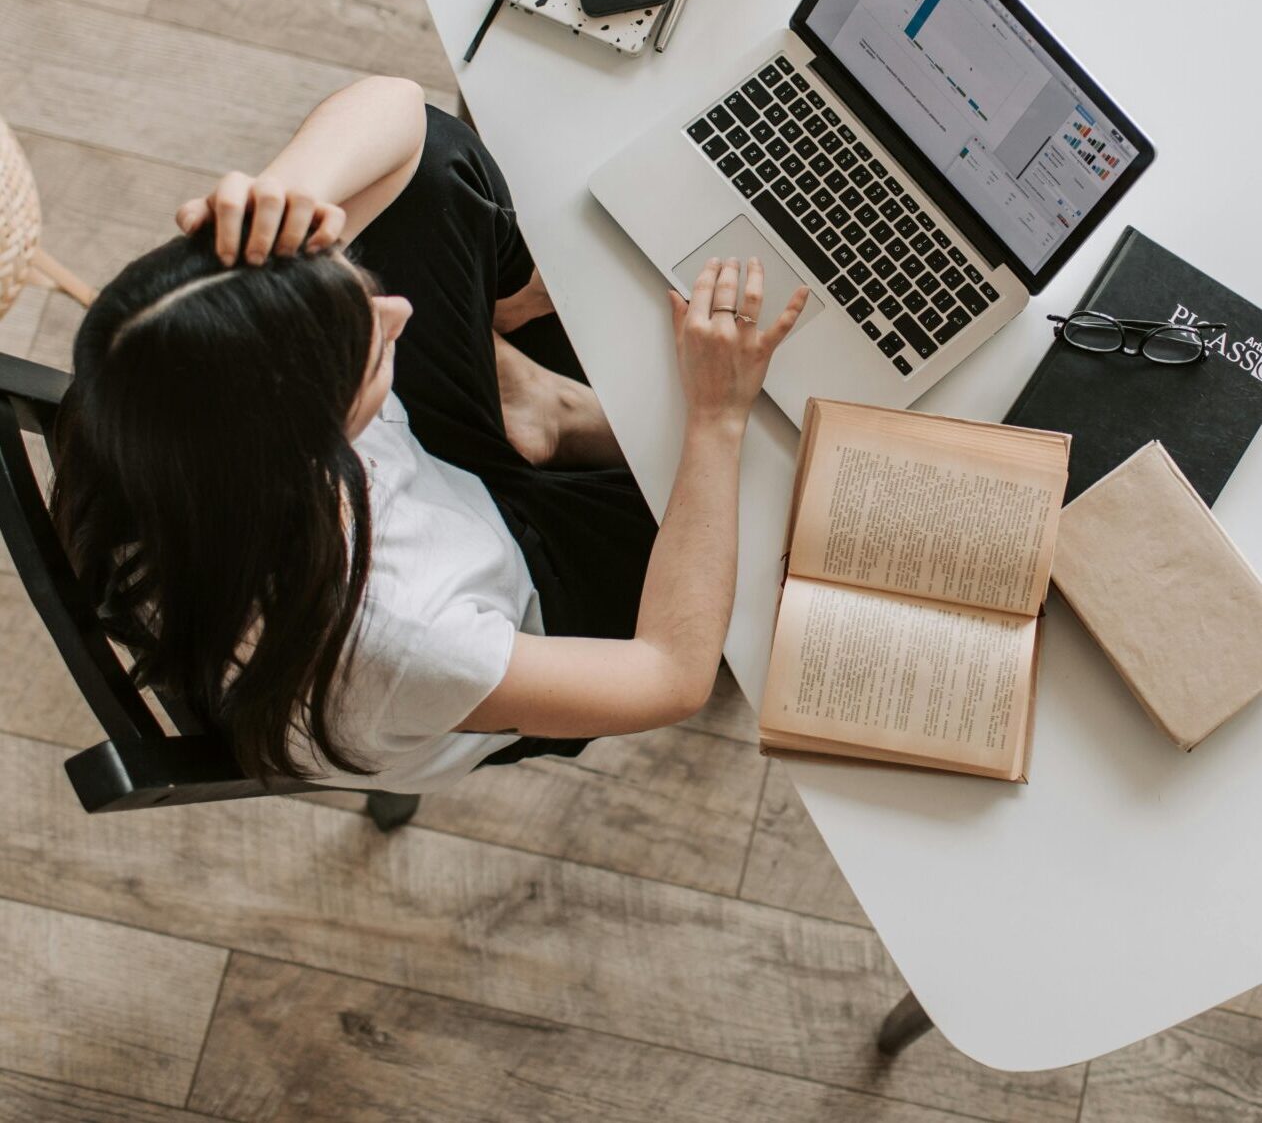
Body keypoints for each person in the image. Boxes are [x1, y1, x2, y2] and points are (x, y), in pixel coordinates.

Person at [52, 77, 806, 793]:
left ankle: (536, 408)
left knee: (439, 166)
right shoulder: (406, 640)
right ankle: (544, 410)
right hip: (522, 600)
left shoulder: (149, 379)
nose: (399, 315)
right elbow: (669, 675)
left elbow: (404, 117)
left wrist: (287, 193)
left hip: (421, 494)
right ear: (317, 447)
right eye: (368, 342)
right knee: (773, 513)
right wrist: (716, 415)